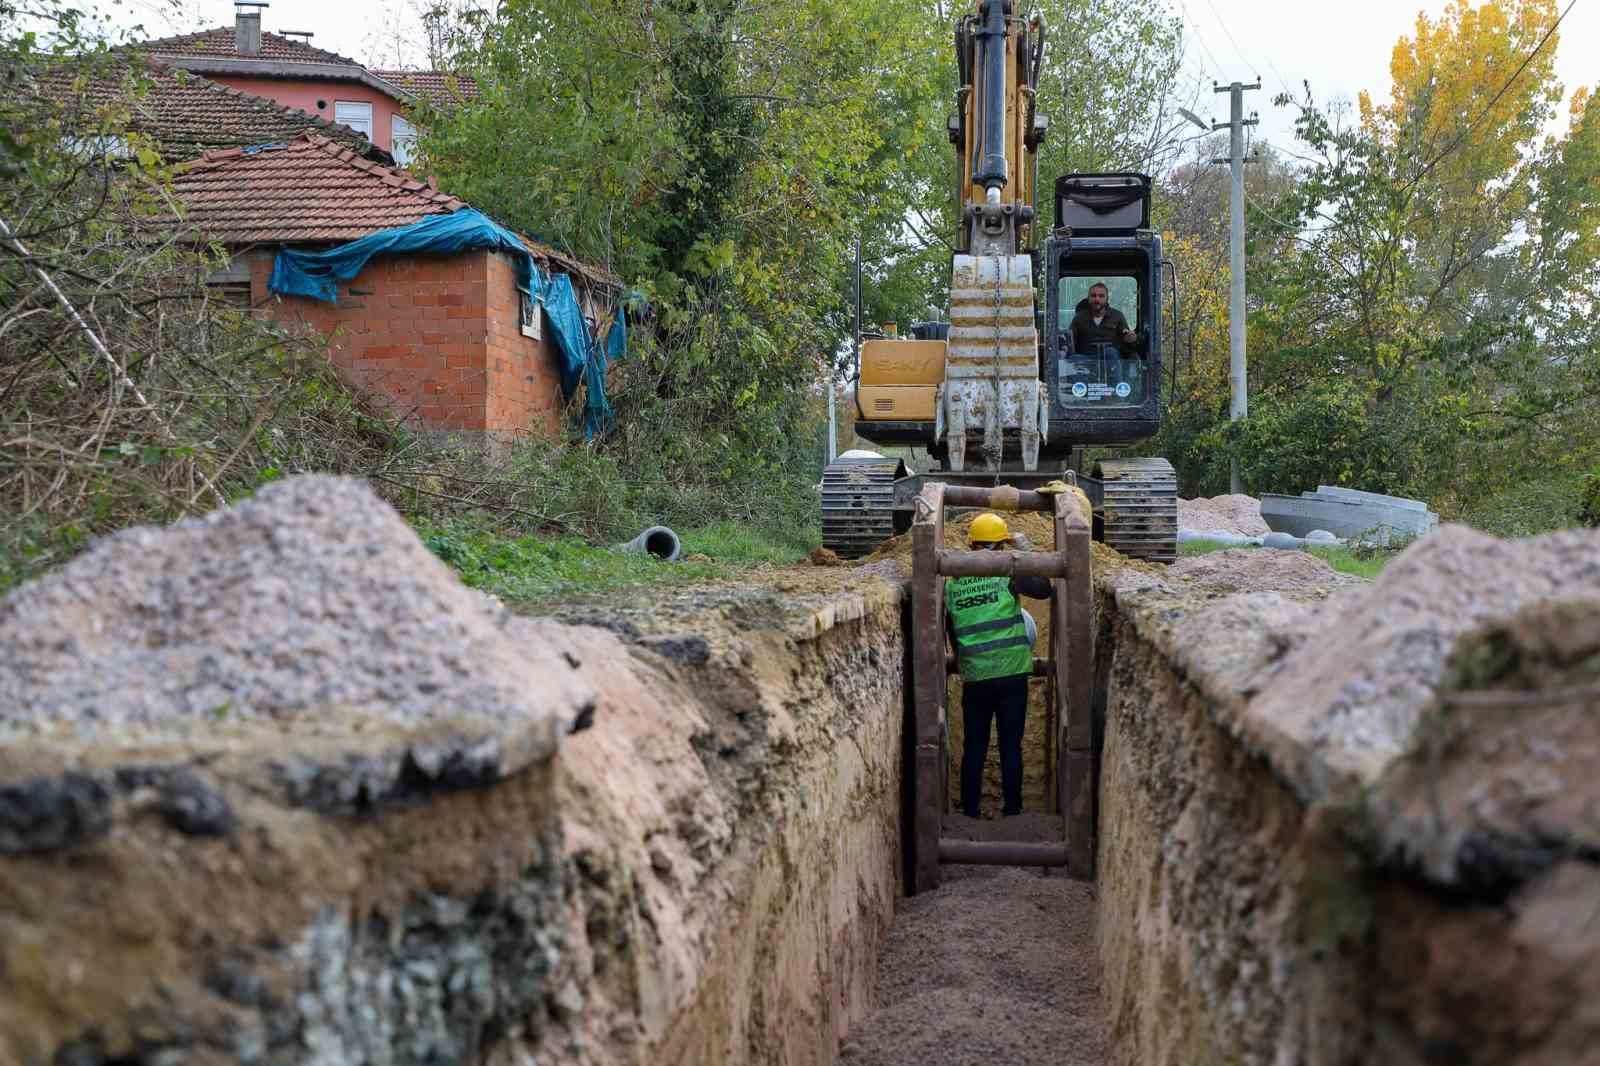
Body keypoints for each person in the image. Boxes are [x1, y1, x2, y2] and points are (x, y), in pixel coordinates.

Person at [945, 512, 1051, 818]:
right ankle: (1013, 811)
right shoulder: (1007, 573)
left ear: (974, 544)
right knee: (1010, 746)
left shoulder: (954, 582)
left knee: (974, 746)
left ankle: (970, 811)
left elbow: (952, 631)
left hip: (976, 676)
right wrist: (1027, 556)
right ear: (1001, 546)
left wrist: (966, 662)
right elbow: (1044, 589)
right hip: (1011, 675)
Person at [1069, 281, 1138, 354]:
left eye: (1101, 296)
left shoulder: (1117, 316)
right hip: (1085, 360)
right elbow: (1069, 340)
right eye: (1093, 296)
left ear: (1107, 298)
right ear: (1088, 298)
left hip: (1111, 360)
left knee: (1110, 352)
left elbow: (1127, 338)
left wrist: (1130, 339)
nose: (1097, 299)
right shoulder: (1079, 318)